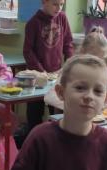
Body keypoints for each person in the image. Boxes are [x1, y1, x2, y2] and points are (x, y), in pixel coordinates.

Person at [23, 0, 74, 133]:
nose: (59, 8)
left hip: (56, 75)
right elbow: (28, 52)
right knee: (34, 113)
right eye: (55, 4)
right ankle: (33, 139)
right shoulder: (33, 23)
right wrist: (41, 71)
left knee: (57, 112)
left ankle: (55, 140)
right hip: (36, 77)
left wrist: (69, 63)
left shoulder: (62, 18)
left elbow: (68, 43)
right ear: (44, 2)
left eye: (61, 4)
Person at [45, 26, 107, 110]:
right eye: (92, 57)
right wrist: (76, 105)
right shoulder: (71, 70)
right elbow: (49, 97)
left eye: (100, 59)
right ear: (82, 51)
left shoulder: (103, 74)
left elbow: (102, 96)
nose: (96, 63)